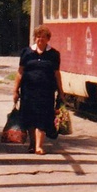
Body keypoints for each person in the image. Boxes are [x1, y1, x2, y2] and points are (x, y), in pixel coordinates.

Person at [13, 25, 64, 155]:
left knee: (43, 118)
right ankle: (32, 143)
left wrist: (61, 91)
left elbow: (56, 74)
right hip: (28, 92)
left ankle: (39, 146)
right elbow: (20, 72)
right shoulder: (26, 53)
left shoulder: (53, 54)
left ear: (48, 39)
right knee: (30, 118)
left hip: (46, 92)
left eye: (43, 37)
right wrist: (15, 90)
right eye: (38, 37)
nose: (40, 39)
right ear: (35, 38)